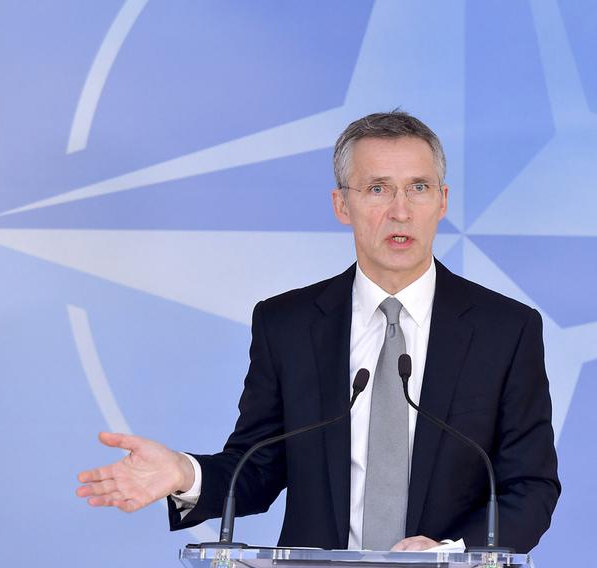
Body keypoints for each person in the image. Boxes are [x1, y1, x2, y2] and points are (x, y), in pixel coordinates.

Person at [76, 111, 560, 552]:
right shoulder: (287, 324)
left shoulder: (506, 329)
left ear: (442, 201)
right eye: (377, 189)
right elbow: (258, 469)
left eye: (418, 187)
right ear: (341, 205)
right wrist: (185, 473)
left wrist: (447, 552)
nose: (400, 210)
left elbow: (530, 487)